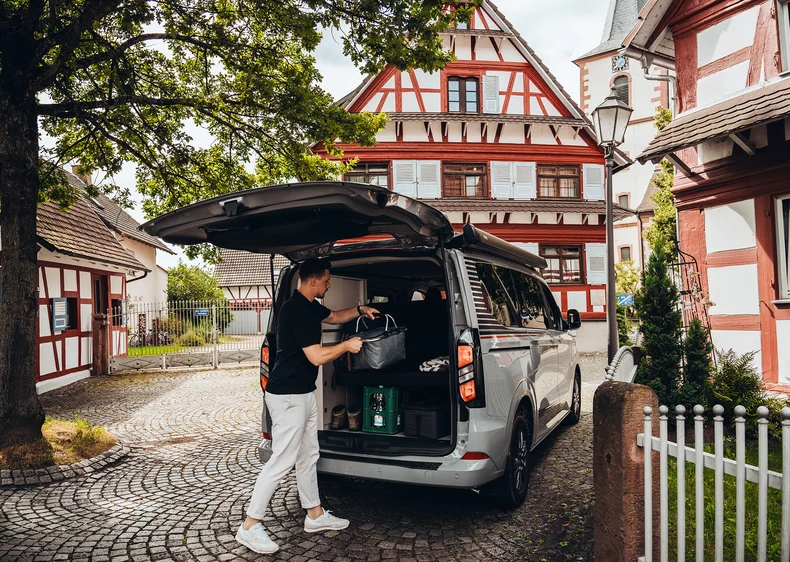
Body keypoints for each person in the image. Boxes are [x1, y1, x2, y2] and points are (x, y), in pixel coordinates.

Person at [235, 258, 379, 555]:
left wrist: (361, 309)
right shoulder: (296, 310)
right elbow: (316, 357)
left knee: (309, 454)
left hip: (303, 393)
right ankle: (249, 526)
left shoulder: (310, 305)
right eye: (326, 280)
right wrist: (347, 345)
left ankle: (314, 514)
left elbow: (335, 316)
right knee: (281, 461)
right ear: (313, 280)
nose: (329, 284)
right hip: (287, 396)